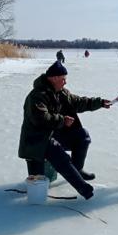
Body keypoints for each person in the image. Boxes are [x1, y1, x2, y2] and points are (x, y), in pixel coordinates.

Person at [18, 61, 111, 199]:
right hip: (36, 140)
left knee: (82, 136)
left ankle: (77, 170)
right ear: (54, 78)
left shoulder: (61, 92)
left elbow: (79, 102)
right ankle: (86, 191)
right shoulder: (37, 95)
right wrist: (62, 120)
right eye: (63, 79)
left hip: (53, 134)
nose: (65, 82)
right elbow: (41, 118)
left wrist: (101, 102)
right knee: (59, 154)